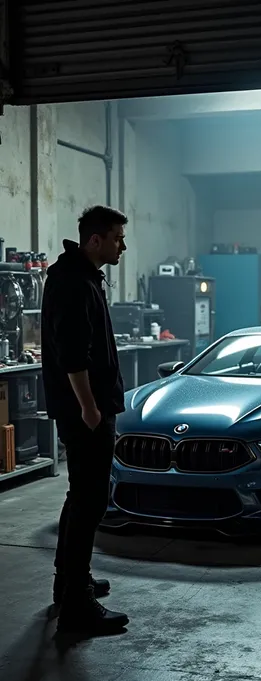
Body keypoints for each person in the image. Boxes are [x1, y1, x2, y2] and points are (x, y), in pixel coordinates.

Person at [41, 205, 130, 634]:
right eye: (117, 238)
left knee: (81, 497)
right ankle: (77, 607)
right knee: (91, 501)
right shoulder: (75, 282)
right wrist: (90, 408)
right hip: (86, 413)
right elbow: (73, 354)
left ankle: (69, 583)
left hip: (86, 409)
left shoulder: (79, 276)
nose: (122, 246)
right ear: (95, 240)